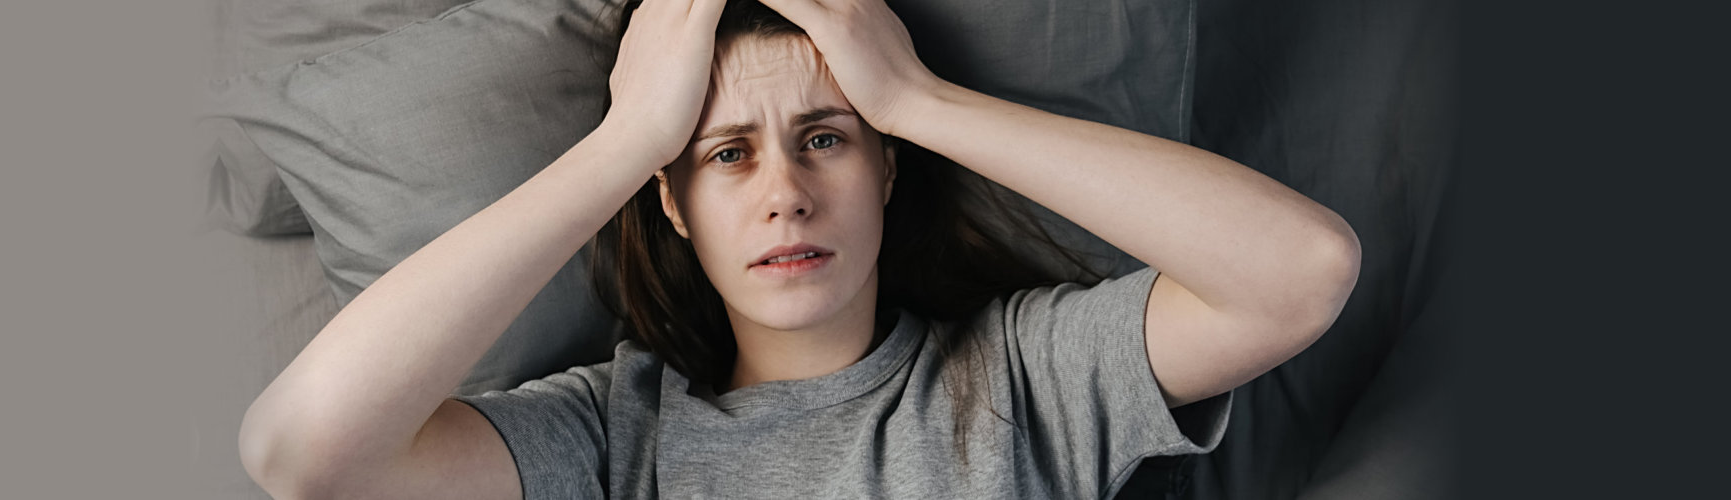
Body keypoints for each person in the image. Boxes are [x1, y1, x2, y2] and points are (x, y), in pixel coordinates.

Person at [237, 0, 1361, 498]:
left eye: (825, 138)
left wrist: (915, 97)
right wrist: (629, 139)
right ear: (671, 204)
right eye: (726, 155)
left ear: (885, 170)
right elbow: (304, 450)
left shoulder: (1026, 375)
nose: (784, 194)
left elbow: (1301, 271)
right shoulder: (607, 434)